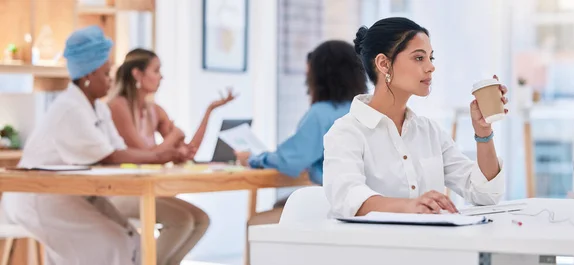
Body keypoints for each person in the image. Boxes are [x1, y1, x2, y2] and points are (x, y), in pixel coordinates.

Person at [1, 26, 183, 265]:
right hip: (39, 198)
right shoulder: (69, 108)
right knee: (114, 243)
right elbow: (110, 156)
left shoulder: (97, 107)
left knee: (131, 240)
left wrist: (160, 154)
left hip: (69, 194)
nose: (111, 80)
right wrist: (160, 156)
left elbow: (119, 151)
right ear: (88, 75)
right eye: (107, 74)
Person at [323, 17, 508, 218]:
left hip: (429, 244)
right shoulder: (346, 132)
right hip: (374, 247)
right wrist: (411, 206)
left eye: (431, 58)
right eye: (419, 58)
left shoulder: (429, 132)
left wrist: (483, 131)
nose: (431, 67)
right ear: (384, 64)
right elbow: (348, 199)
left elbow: (485, 194)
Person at [107, 48, 234, 265]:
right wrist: (173, 138)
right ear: (137, 74)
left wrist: (209, 112)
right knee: (182, 221)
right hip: (120, 190)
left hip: (147, 188)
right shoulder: (117, 106)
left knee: (201, 220)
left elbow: (188, 150)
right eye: (156, 70)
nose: (161, 77)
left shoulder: (155, 110)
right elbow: (145, 155)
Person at [236, 40, 368, 225]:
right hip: (366, 199)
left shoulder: (321, 114)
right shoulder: (365, 108)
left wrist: (253, 159)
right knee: (281, 204)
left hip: (338, 203)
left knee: (257, 223)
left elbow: (290, 160)